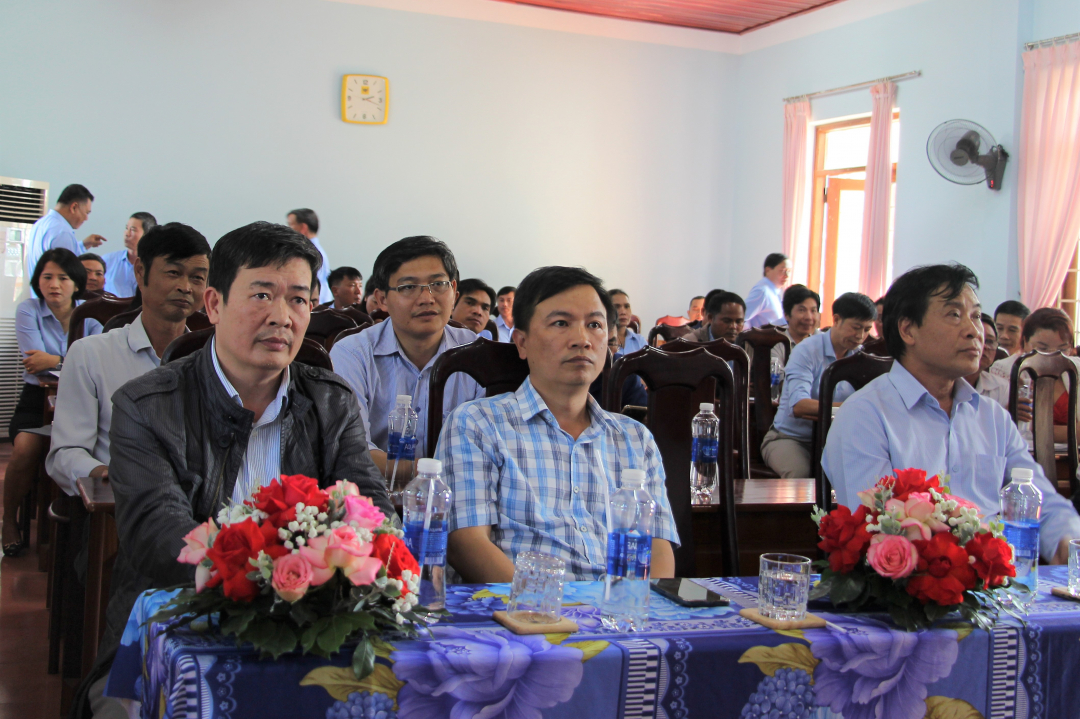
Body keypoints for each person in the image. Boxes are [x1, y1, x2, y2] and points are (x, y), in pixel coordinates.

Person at [82, 222, 392, 718]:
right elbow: (159, 537)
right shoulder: (145, 405)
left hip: (312, 631)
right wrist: (280, 575)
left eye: (297, 299)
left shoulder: (332, 402)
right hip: (176, 628)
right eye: (262, 294)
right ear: (214, 305)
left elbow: (373, 513)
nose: (282, 316)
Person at [822, 263, 1080, 565]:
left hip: (998, 587)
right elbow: (877, 529)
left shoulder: (993, 418)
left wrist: (1066, 542)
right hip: (915, 595)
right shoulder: (865, 416)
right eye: (954, 315)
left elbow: (1044, 504)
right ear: (908, 329)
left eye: (975, 316)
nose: (974, 331)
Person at [437, 266, 678, 582]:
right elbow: (466, 544)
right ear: (521, 342)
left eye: (594, 325)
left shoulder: (635, 438)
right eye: (561, 323)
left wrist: (637, 608)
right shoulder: (477, 424)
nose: (582, 340)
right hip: (521, 615)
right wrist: (547, 608)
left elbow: (658, 549)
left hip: (618, 616)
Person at [47, 223, 212, 497]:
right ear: (140, 272)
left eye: (197, 278)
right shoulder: (90, 354)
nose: (185, 287)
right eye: (173, 273)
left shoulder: (214, 359)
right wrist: (104, 474)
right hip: (118, 506)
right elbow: (66, 453)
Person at [329, 236, 483, 476]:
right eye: (408, 287)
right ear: (382, 299)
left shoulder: (479, 355)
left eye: (438, 284)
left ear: (453, 290)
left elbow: (488, 450)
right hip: (373, 500)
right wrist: (430, 471)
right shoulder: (353, 353)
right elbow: (352, 450)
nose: (427, 298)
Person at [2, 249, 102, 554]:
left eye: (63, 277)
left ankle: (76, 532)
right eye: (47, 277)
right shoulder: (28, 310)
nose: (54, 284)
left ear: (76, 283)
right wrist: (70, 361)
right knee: (24, 448)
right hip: (36, 401)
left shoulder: (92, 315)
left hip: (81, 402)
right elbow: (34, 362)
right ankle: (8, 520)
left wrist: (55, 359)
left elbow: (95, 363)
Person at [760, 292, 875, 478]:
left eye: (867, 329)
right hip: (791, 439)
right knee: (801, 476)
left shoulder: (860, 357)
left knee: (867, 474)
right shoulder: (806, 351)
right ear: (836, 320)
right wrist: (852, 408)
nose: (860, 336)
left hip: (837, 440)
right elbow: (800, 406)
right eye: (856, 327)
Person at [990, 307, 1080, 442]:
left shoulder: (1076, 369)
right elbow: (1007, 428)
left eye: (1062, 349)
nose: (1052, 355)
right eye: (1042, 348)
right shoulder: (1005, 370)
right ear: (1025, 342)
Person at [24, 184, 106, 277]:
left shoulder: (41, 223)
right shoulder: (62, 232)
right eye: (86, 213)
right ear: (74, 207)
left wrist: (84, 245)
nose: (86, 218)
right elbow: (66, 274)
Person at [102, 212, 157, 297]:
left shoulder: (157, 265)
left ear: (147, 235)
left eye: (133, 230)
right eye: (126, 228)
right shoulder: (107, 260)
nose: (127, 234)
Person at [286, 208, 332, 305]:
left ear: (303, 227)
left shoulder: (308, 253)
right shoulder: (318, 250)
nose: (288, 229)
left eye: (291, 225)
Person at [963, 313, 1009, 408]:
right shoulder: (943, 384)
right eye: (978, 339)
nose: (984, 346)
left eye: (990, 341)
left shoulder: (1001, 387)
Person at [771, 284, 821, 368]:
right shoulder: (777, 342)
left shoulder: (823, 340)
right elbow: (777, 377)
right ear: (786, 315)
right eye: (801, 310)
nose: (809, 317)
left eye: (813, 311)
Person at [744, 253, 790, 328]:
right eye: (783, 270)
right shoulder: (762, 292)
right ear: (768, 270)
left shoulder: (775, 292)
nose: (787, 275)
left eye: (789, 271)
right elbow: (742, 317)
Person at [609, 289, 647, 359]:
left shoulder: (640, 341)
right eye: (616, 307)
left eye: (626, 306)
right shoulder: (602, 341)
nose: (623, 312)